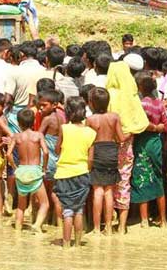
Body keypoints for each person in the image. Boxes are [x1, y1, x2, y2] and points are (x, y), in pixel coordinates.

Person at [106, 61, 149, 234]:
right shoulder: (132, 96)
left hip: (107, 145)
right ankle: (122, 226)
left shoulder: (108, 94)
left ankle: (107, 224)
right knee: (124, 182)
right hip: (126, 144)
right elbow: (142, 122)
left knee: (107, 185)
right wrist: (129, 133)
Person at [54, 96, 95, 248]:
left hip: (64, 174)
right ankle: (77, 244)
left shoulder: (64, 128)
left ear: (68, 112)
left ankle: (65, 244)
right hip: (82, 173)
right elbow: (91, 159)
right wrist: (86, 170)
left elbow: (57, 149)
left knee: (67, 211)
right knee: (78, 210)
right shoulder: (91, 133)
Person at [131, 72, 167, 228]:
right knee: (158, 178)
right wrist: (158, 128)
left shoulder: (141, 104)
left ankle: (144, 219)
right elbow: (166, 125)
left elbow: (140, 124)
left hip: (143, 142)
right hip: (155, 143)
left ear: (140, 87)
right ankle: (163, 219)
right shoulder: (160, 104)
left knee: (142, 178)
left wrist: (152, 127)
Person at [85, 87, 123, 235]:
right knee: (109, 191)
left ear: (91, 104)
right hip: (112, 153)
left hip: (96, 153)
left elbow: (87, 141)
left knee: (97, 191)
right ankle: (108, 227)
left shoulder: (90, 120)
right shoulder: (114, 117)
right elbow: (121, 138)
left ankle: (96, 228)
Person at [8, 108, 50, 231]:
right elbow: (46, 152)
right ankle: (37, 225)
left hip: (21, 171)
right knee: (44, 203)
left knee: (21, 205)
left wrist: (14, 167)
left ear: (19, 123)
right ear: (33, 121)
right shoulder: (38, 135)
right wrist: (44, 167)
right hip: (34, 171)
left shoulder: (16, 137)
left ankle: (17, 229)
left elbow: (8, 154)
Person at [37, 89, 65, 222]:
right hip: (58, 157)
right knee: (55, 191)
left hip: (47, 158)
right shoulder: (62, 117)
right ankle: (58, 221)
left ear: (54, 105)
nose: (41, 108)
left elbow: (39, 136)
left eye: (44, 105)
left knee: (44, 190)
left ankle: (43, 218)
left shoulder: (47, 119)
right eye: (40, 105)